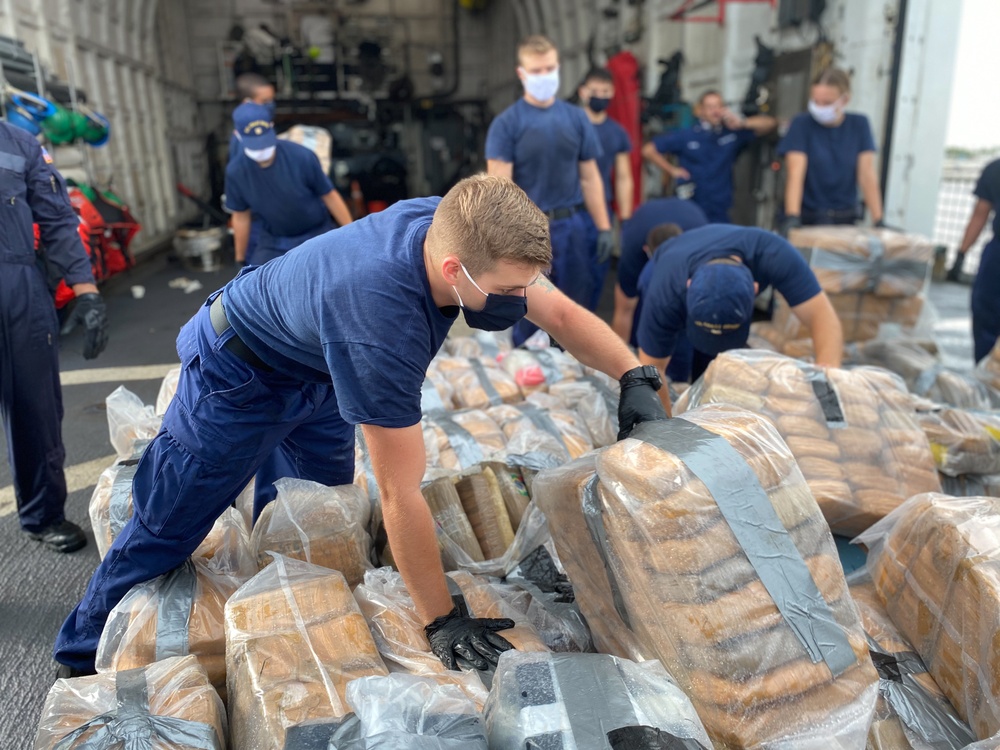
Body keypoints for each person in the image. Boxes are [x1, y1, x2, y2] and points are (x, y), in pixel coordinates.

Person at [54, 174, 667, 677]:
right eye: (511, 286)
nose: (523, 295)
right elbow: (400, 493)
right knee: (169, 523)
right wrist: (440, 616)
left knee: (322, 511)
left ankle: (284, 609)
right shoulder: (381, 325)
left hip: (316, 364)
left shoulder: (460, 220)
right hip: (238, 376)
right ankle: (79, 658)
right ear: (455, 270)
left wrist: (632, 374)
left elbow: (555, 309)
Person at [0, 121, 109, 553]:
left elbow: (59, 219)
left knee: (36, 408)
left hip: (19, 288)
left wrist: (86, 291)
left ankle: (43, 515)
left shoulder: (19, 144)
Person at [486, 34, 613, 344]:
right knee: (529, 309)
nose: (545, 76)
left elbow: (589, 178)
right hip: (529, 230)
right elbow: (500, 189)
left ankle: (572, 374)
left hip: (572, 227)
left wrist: (604, 226)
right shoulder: (507, 124)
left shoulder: (576, 119)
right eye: (537, 70)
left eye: (550, 69)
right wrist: (506, 241)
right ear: (522, 74)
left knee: (575, 309)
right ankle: (533, 378)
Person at [635, 225, 843, 408]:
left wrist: (828, 401)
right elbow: (652, 371)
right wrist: (666, 433)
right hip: (667, 262)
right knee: (671, 358)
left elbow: (822, 317)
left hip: (700, 257)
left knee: (714, 367)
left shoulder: (774, 254)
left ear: (754, 289)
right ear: (688, 287)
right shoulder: (664, 293)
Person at [225, 102, 353, 266]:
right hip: (274, 241)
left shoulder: (301, 156)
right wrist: (240, 258)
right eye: (256, 146)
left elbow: (330, 195)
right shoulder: (236, 172)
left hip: (316, 233)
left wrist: (350, 233)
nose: (262, 151)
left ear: (271, 126)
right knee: (254, 281)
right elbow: (241, 216)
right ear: (237, 135)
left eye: (265, 142)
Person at [641, 91, 776, 223]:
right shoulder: (687, 135)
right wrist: (672, 170)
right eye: (710, 107)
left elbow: (770, 124)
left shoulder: (731, 134)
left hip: (720, 204)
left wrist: (742, 122)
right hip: (692, 202)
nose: (715, 111)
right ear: (700, 110)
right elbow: (648, 150)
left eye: (719, 106)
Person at [777, 68, 885, 233]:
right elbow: (795, 173)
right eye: (816, 101)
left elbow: (867, 175)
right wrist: (792, 217)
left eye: (827, 103)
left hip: (844, 218)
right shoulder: (801, 125)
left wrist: (878, 219)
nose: (820, 107)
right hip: (808, 216)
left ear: (844, 100)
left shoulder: (859, 125)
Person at [611, 197, 708, 342]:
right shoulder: (633, 250)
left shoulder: (701, 244)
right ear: (646, 250)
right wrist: (619, 360)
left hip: (690, 212)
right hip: (645, 216)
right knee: (638, 321)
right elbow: (624, 310)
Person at [578, 67, 633, 310]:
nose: (600, 95)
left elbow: (623, 176)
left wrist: (626, 219)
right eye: (595, 91)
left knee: (596, 274)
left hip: (600, 214)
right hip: (567, 211)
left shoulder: (617, 133)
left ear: (612, 93)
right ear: (583, 92)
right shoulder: (568, 125)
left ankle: (583, 330)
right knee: (563, 272)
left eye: (605, 91)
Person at [946, 158, 1000, 362]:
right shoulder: (995, 170)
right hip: (997, 254)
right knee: (985, 313)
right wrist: (961, 254)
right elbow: (980, 214)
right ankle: (988, 374)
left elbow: (980, 214)